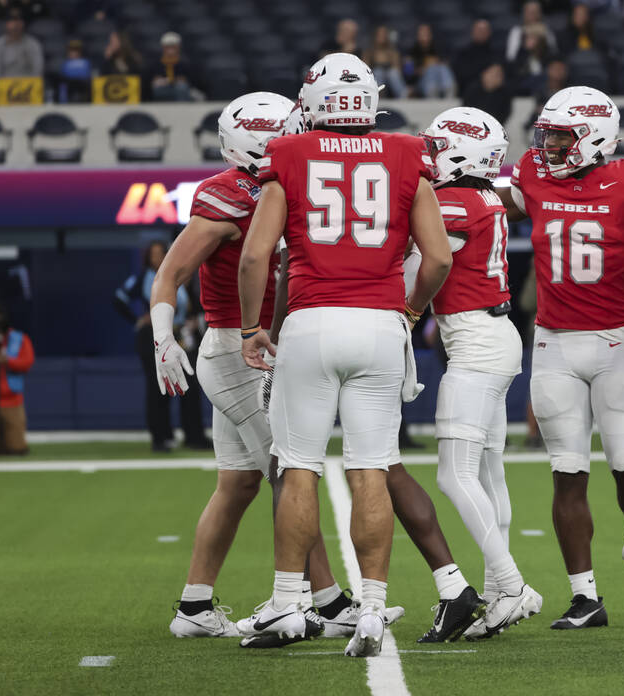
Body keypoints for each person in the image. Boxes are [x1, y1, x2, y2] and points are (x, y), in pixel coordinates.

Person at [235, 54, 476, 656]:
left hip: (313, 322)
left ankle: (290, 600)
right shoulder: (405, 153)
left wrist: (250, 328)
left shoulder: (287, 156)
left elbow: (253, 257)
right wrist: (411, 311)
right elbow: (440, 257)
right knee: (371, 466)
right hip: (378, 324)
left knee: (299, 466)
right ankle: (371, 606)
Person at [149, 92, 373, 641]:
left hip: (261, 347)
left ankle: (194, 609)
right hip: (236, 350)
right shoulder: (228, 196)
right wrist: (162, 338)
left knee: (239, 484)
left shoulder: (287, 181)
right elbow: (170, 273)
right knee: (288, 469)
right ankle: (327, 601)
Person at [498, 86, 624, 629]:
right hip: (554, 342)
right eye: (548, 134)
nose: (549, 145)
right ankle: (585, 597)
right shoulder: (532, 173)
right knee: (567, 474)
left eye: (562, 135)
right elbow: (494, 202)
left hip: (615, 344)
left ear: (596, 138)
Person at [414, 107, 542, 640]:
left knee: (453, 474)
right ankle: (497, 592)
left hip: (474, 343)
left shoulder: (454, 201)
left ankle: (511, 585)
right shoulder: (486, 196)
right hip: (496, 333)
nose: (428, 156)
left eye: (436, 147)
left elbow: (426, 261)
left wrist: (406, 309)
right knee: (489, 473)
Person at [114, 240, 207, 452]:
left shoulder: (179, 275)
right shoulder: (142, 278)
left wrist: (194, 320)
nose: (157, 258)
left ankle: (194, 435)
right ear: (148, 258)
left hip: (182, 333)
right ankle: (161, 436)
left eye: (161, 253)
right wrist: (137, 319)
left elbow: (193, 303)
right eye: (153, 254)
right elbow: (118, 299)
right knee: (159, 385)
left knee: (190, 382)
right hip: (153, 335)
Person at [0, 301, 33, 455]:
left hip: (10, 399)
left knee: (17, 449)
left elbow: (27, 362)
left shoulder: (18, 339)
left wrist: (8, 361)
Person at [452, 19, 500, 96]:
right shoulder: (463, 53)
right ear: (473, 31)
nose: (482, 33)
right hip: (468, 90)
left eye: (484, 30)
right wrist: (483, 78)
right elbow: (460, 74)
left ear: (489, 32)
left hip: (494, 91)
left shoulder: (497, 53)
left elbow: (499, 73)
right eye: (479, 30)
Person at [408, 23, 455, 98]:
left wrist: (437, 63)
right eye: (422, 33)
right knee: (431, 69)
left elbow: (446, 65)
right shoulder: (412, 51)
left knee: (441, 67)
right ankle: (433, 92)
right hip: (422, 83)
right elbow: (409, 74)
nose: (425, 36)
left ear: (431, 34)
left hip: (440, 81)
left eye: (426, 33)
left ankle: (449, 89)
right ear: (418, 35)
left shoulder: (438, 48)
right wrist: (422, 70)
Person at [146, 32, 196, 102]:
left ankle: (182, 109)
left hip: (181, 90)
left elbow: (192, 80)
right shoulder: (155, 63)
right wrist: (157, 81)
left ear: (178, 47)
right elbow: (151, 80)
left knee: (181, 87)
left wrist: (182, 80)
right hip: (162, 88)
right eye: (167, 46)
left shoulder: (185, 63)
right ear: (163, 47)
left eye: (173, 46)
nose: (170, 50)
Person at [363, 25, 406, 99]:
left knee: (393, 73)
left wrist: (390, 55)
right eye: (379, 35)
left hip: (390, 77)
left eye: (384, 34)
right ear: (375, 36)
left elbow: (397, 68)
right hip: (376, 76)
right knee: (379, 72)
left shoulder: (393, 51)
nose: (382, 37)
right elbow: (365, 69)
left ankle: (404, 95)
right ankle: (377, 96)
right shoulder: (369, 51)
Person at [0, 9, 42, 78]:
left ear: (23, 23)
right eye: (12, 20)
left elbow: (38, 69)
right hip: (4, 85)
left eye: (18, 20)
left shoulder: (33, 44)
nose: (15, 24)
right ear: (6, 24)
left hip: (29, 85)